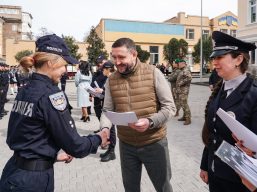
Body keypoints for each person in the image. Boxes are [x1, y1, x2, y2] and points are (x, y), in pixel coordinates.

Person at [0, 34, 109, 192]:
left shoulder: (25, 90)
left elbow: (20, 136)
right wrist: (99, 138)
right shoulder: (51, 95)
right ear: (51, 63)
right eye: (64, 65)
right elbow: (75, 145)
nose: (65, 70)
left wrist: (51, 155)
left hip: (13, 171)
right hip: (33, 180)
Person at [100, 38, 176, 192]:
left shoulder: (153, 72)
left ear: (133, 54)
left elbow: (170, 108)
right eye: (114, 57)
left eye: (121, 57)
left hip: (154, 142)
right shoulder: (111, 80)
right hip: (127, 145)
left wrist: (150, 121)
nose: (117, 62)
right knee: (130, 188)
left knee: (163, 187)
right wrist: (105, 129)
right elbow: (106, 110)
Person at [200, 31, 257, 192]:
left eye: (219, 57)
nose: (214, 63)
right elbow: (212, 133)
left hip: (240, 179)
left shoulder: (253, 94)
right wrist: (205, 165)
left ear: (238, 59)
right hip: (215, 173)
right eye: (213, 58)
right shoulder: (220, 90)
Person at [94, 61, 116, 162]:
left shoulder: (113, 78)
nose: (102, 71)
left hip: (113, 108)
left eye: (104, 69)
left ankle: (112, 152)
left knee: (112, 130)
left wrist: (102, 91)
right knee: (110, 129)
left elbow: (115, 92)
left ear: (108, 69)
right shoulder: (109, 78)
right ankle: (110, 150)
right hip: (107, 106)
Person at [91, 55, 108, 133]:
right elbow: (92, 83)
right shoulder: (97, 73)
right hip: (97, 96)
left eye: (101, 62)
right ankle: (102, 127)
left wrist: (102, 90)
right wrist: (91, 93)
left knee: (105, 115)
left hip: (105, 97)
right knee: (98, 112)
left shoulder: (109, 72)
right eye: (98, 63)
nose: (100, 64)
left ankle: (106, 129)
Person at [176, 59, 192, 125]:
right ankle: (184, 117)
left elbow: (189, 78)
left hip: (184, 90)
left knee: (184, 104)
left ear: (183, 64)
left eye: (179, 64)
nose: (178, 65)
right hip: (181, 90)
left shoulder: (186, 70)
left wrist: (180, 83)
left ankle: (188, 119)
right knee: (182, 104)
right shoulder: (182, 70)